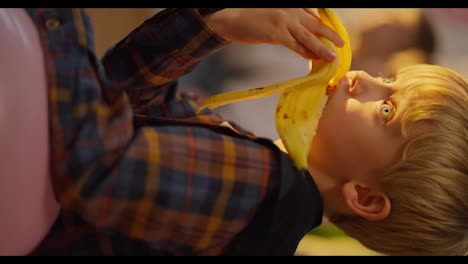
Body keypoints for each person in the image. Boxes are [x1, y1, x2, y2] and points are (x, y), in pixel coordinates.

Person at [21, 8, 468, 256]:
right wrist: (213, 27)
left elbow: (90, 163)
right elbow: (124, 95)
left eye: (386, 109)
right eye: (389, 82)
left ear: (365, 198)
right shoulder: (272, 193)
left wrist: (61, 19)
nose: (364, 79)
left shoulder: (260, 189)